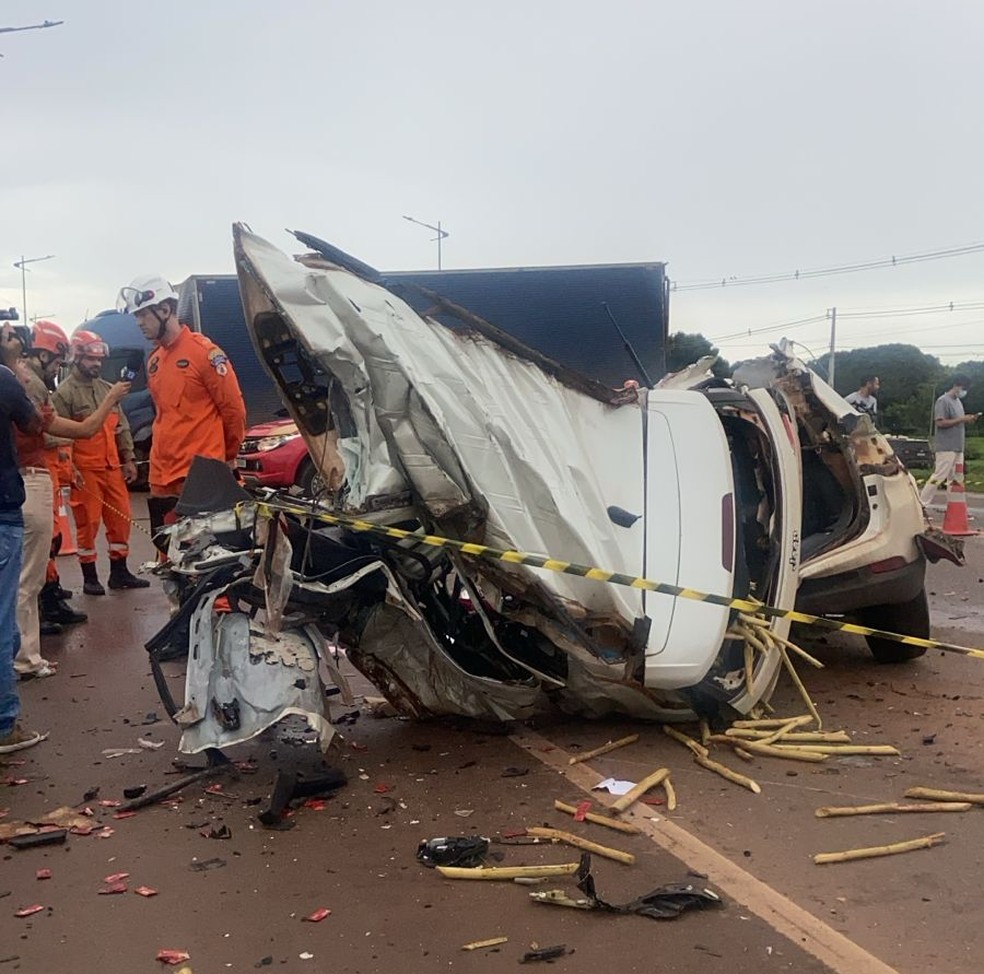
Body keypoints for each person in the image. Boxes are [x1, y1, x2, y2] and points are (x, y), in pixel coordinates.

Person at [1, 326, 130, 680]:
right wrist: (112, 399)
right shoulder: (20, 386)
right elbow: (81, 430)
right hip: (29, 481)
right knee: (26, 582)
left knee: (17, 578)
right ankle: (24, 659)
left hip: (24, 483)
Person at [118, 275, 246, 539]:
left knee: (203, 556)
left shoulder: (204, 353)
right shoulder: (155, 361)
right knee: (168, 554)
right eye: (136, 316)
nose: (139, 323)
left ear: (165, 310)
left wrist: (226, 457)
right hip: (162, 477)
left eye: (143, 315)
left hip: (198, 476)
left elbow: (234, 411)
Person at [51, 330, 149, 594]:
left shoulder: (107, 389)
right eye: (91, 359)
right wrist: (69, 468)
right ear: (77, 358)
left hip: (112, 468)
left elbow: (122, 426)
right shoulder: (65, 394)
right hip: (85, 471)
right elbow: (60, 437)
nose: (96, 364)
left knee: (122, 521)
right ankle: (90, 577)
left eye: (99, 360)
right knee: (88, 523)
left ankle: (120, 573)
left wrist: (128, 457)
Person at [25, 320, 88, 628]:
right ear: (43, 355)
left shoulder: (33, 382)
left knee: (48, 538)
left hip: (41, 471)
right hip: (32, 472)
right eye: (57, 361)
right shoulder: (30, 384)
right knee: (41, 542)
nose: (58, 368)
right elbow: (41, 430)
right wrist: (74, 434)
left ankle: (47, 598)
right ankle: (42, 606)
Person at [919, 375, 980, 508]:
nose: (964, 392)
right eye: (964, 388)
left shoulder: (958, 402)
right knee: (939, 475)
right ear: (957, 386)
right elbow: (940, 422)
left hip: (958, 446)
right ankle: (922, 503)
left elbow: (958, 421)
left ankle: (955, 507)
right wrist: (961, 419)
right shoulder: (943, 401)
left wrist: (966, 419)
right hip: (946, 446)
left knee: (957, 478)